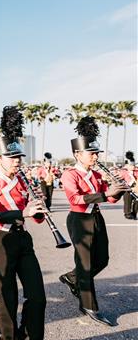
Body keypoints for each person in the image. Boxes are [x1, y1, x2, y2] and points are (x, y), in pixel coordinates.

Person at [0, 106, 48, 340]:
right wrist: (22, 211)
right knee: (8, 294)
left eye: (19, 155)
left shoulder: (24, 180)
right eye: (12, 156)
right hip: (0, 240)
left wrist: (39, 209)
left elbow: (36, 218)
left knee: (37, 295)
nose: (18, 160)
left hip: (22, 239)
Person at [58, 116, 127, 326]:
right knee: (85, 264)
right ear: (78, 154)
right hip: (79, 220)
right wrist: (106, 195)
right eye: (92, 153)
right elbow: (76, 200)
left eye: (97, 153)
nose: (95, 156)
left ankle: (72, 278)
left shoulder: (97, 174)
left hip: (96, 218)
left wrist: (120, 190)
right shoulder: (69, 175)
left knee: (102, 259)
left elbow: (110, 198)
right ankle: (89, 305)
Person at [119, 151, 137, 220]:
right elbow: (119, 179)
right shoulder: (123, 172)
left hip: (135, 189)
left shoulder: (136, 171)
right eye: (131, 165)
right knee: (127, 200)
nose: (133, 166)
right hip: (127, 189)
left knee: (137, 201)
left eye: (133, 165)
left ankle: (134, 213)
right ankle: (127, 213)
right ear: (127, 165)